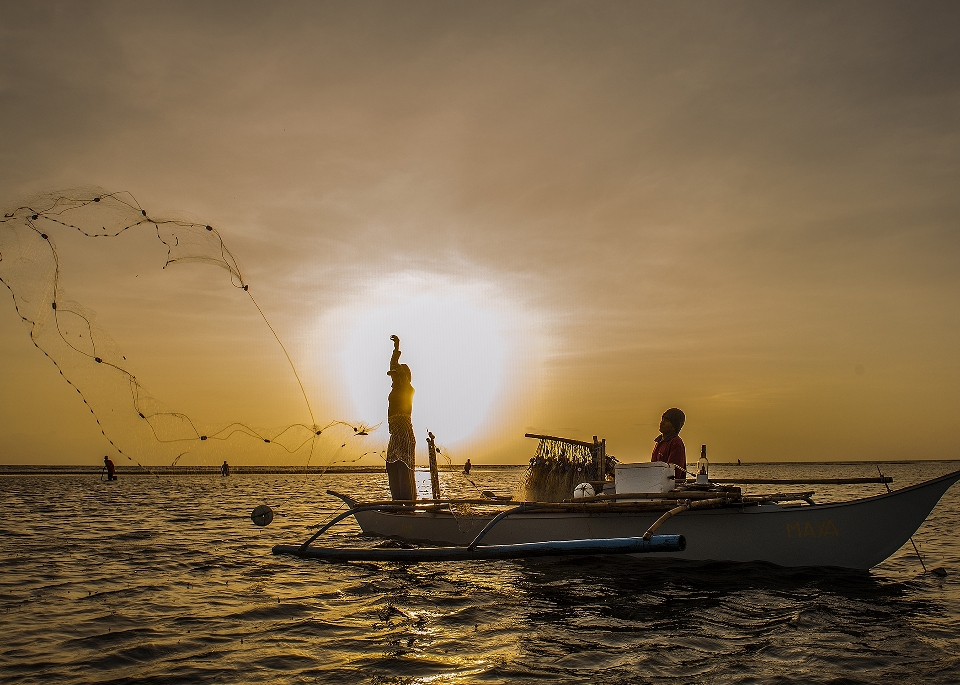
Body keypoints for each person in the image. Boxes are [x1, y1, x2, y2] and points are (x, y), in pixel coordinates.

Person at [386, 335, 417, 501]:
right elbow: (394, 369)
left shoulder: (406, 387)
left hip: (404, 434)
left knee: (405, 469)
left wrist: (396, 348)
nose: (392, 378)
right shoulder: (395, 388)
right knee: (391, 466)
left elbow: (395, 366)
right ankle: (397, 505)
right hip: (394, 436)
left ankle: (410, 507)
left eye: (394, 375)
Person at [651, 408, 686, 482]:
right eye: (662, 420)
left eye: (666, 421)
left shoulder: (676, 442)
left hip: (670, 488)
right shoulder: (659, 442)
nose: (662, 423)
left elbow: (673, 472)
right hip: (657, 485)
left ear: (674, 426)